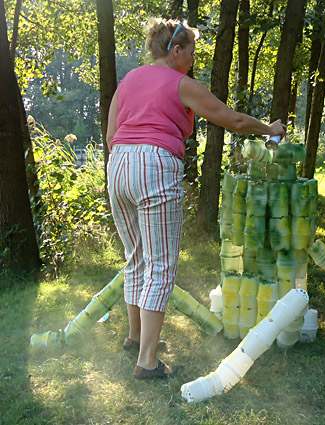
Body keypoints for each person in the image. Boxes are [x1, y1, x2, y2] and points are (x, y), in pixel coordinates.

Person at [106, 18, 286, 379]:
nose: (193, 59)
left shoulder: (127, 81)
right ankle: (148, 361)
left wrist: (128, 161)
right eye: (190, 53)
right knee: (161, 265)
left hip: (119, 164)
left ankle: (135, 336)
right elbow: (231, 120)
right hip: (154, 162)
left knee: (136, 257)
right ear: (175, 51)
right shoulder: (179, 83)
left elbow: (112, 133)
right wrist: (269, 129)